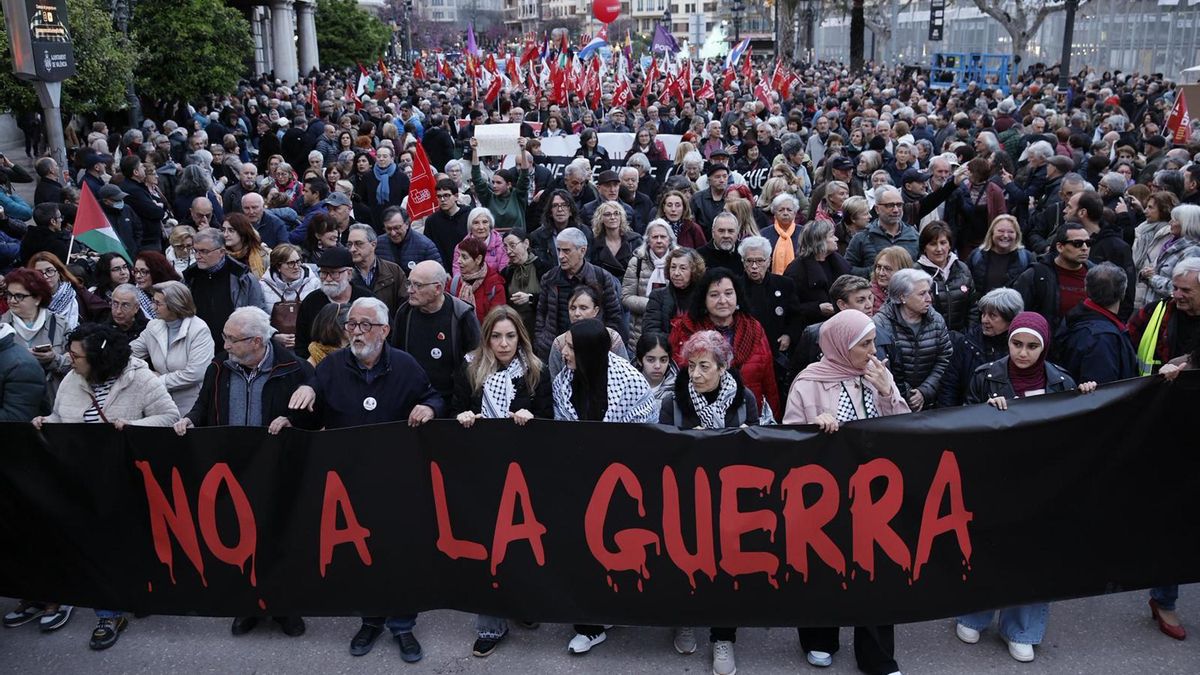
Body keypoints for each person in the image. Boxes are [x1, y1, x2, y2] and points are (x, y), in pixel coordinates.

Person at [292, 297, 441, 663]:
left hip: (396, 478)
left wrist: (429, 407)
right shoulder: (331, 367)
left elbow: (434, 396)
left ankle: (402, 625)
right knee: (361, 554)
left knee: (399, 553)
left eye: (365, 325)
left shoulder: (405, 365)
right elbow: (310, 419)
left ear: (384, 330)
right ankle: (370, 620)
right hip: (349, 479)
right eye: (351, 325)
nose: (356, 332)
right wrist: (305, 396)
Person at [957, 311, 1096, 664]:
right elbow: (961, 425)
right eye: (1016, 344)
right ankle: (974, 615)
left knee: (1034, 554)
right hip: (994, 481)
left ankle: (1021, 629)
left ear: (1044, 347)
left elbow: (1077, 434)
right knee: (987, 547)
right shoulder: (985, 376)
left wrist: (1085, 397)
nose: (1022, 352)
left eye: (1032, 346)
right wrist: (985, 412)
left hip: (1042, 484)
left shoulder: (1062, 381)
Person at [32, 323, 179, 651]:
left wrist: (132, 426)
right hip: (79, 477)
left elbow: (169, 417)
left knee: (116, 545)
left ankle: (110, 614)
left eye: (76, 356)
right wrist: (47, 423)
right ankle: (90, 601)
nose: (69, 360)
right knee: (88, 543)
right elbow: (62, 417)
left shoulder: (141, 380)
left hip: (123, 479)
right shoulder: (71, 380)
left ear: (99, 359)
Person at [173, 306, 313, 637]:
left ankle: (284, 606)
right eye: (225, 337)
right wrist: (190, 419)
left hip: (277, 470)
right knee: (240, 538)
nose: (225, 345)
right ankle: (248, 604)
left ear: (256, 341)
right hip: (232, 468)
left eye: (231, 339)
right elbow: (204, 403)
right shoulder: (220, 366)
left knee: (280, 538)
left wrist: (292, 420)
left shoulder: (294, 369)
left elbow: (313, 415)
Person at [782, 309, 908, 675]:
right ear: (841, 345)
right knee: (824, 563)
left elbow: (905, 432)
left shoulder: (878, 375)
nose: (873, 351)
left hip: (873, 491)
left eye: (873, 342)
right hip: (824, 494)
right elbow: (788, 438)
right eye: (864, 344)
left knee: (875, 569)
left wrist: (888, 392)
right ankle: (820, 638)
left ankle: (877, 655)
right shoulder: (809, 381)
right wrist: (813, 427)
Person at [655, 328, 762, 675]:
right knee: (684, 561)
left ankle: (723, 637)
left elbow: (758, 447)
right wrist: (688, 444)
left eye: (704, 366)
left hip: (730, 500)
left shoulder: (744, 399)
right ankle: (685, 619)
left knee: (727, 569)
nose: (696, 374)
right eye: (691, 366)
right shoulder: (673, 402)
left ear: (722, 367)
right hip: (686, 497)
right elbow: (661, 452)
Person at [556, 318, 656, 655]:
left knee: (615, 549)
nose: (563, 352)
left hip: (622, 482)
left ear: (588, 350)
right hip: (580, 481)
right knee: (582, 552)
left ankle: (613, 609)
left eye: (571, 347)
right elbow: (561, 429)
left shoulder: (628, 380)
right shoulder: (564, 381)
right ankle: (589, 626)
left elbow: (644, 429)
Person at [669, 268, 780, 419]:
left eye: (728, 293)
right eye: (714, 295)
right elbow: (676, 377)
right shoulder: (686, 329)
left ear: (737, 295)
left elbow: (769, 381)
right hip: (697, 419)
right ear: (704, 299)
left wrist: (773, 421)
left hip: (748, 417)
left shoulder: (754, 329)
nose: (723, 301)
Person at [390, 260, 482, 401]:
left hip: (451, 400)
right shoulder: (404, 313)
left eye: (418, 285)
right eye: (409, 283)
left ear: (437, 288)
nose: (410, 290)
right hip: (413, 398)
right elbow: (396, 357)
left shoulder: (462, 315)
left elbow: (475, 362)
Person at [533, 228, 626, 358]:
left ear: (582, 250)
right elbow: (541, 313)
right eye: (559, 250)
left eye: (566, 251)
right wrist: (541, 341)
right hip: (556, 348)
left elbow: (614, 315)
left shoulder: (601, 277)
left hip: (592, 346)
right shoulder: (549, 278)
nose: (561, 256)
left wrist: (602, 342)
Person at [129, 281, 215, 416]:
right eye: (153, 301)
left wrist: (157, 381)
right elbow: (129, 354)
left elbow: (195, 373)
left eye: (158, 303)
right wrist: (144, 372)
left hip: (192, 407)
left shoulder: (199, 330)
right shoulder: (153, 326)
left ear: (175, 305)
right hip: (160, 404)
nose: (152, 307)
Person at [872, 268, 952, 411]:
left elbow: (945, 358)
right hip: (893, 402)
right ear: (902, 297)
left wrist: (925, 391)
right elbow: (882, 365)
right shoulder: (880, 324)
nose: (929, 298)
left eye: (929, 292)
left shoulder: (936, 320)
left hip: (931, 401)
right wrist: (908, 393)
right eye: (922, 294)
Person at [937, 288, 1024, 408]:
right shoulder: (967, 343)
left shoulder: (1021, 347)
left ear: (1010, 318)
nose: (984, 320)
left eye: (992, 316)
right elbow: (949, 387)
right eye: (983, 314)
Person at [183, 227, 267, 346]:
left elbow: (258, 315)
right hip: (198, 344)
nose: (197, 256)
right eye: (195, 251)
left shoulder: (243, 278)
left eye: (204, 251)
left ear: (222, 252)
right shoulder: (189, 277)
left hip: (235, 346)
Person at [1060, 262, 1139, 384]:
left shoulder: (1075, 316)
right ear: (1123, 293)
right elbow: (1103, 389)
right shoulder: (1102, 338)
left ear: (1086, 289)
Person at [1013, 225, 1094, 337]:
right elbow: (1018, 315)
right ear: (1060, 247)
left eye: (1088, 243)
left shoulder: (1096, 274)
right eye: (1077, 243)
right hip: (1047, 342)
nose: (1085, 248)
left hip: (1086, 342)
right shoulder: (1036, 275)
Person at [293, 246, 372, 359]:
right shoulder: (311, 301)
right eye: (324, 273)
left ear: (349, 273)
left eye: (334, 273)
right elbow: (301, 343)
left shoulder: (367, 300)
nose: (328, 279)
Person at [1129, 257, 1200, 376]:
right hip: (1156, 386)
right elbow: (1125, 347)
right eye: (1175, 288)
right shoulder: (1153, 312)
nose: (1177, 295)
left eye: (1185, 290)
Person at [548, 285, 629, 378]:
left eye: (583, 308)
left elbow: (625, 374)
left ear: (595, 311)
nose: (577, 313)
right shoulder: (560, 343)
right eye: (572, 308)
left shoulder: (612, 338)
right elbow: (555, 380)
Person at [622, 220, 678, 348]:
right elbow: (626, 297)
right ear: (648, 240)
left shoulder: (678, 262)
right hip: (639, 330)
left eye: (663, 237)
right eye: (655, 237)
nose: (659, 241)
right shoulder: (637, 262)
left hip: (672, 327)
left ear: (670, 239)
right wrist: (652, 304)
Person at [784, 219, 851, 327]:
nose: (836, 238)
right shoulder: (796, 271)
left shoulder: (839, 263)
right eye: (831, 236)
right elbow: (789, 306)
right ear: (819, 240)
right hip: (811, 328)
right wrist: (816, 308)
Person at [845, 186, 919, 278]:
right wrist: (877, 271)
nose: (896, 210)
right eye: (890, 205)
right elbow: (847, 270)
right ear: (877, 209)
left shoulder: (914, 235)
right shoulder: (862, 238)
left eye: (899, 205)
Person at [26, 252, 109, 331]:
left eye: (49, 271)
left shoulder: (78, 291)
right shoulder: (28, 298)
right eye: (39, 273)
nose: (45, 276)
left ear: (59, 272)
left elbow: (105, 312)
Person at [916, 221, 976, 331]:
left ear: (949, 245)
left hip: (961, 337)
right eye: (933, 244)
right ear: (924, 247)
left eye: (943, 243)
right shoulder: (915, 273)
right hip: (930, 337)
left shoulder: (962, 269)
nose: (939, 249)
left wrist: (969, 334)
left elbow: (972, 308)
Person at [260, 243, 320, 349]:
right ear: (278, 266)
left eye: (298, 261)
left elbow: (320, 317)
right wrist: (274, 336)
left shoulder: (314, 283)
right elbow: (259, 320)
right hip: (276, 347)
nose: (296, 267)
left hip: (308, 345)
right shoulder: (263, 286)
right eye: (290, 263)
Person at [1142, 203, 1200, 306]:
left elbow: (1181, 288)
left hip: (1171, 308)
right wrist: (1146, 272)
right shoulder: (1169, 245)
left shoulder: (1192, 252)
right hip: (1154, 306)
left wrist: (1152, 278)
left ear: (1186, 224)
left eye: (1174, 220)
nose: (1169, 223)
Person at [1131, 192, 1180, 310]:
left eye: (1150, 207)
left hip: (1153, 295)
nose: (1145, 211)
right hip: (1137, 288)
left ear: (1163, 210)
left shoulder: (1169, 234)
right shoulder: (1142, 228)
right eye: (1146, 207)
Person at [470, 136, 530, 230]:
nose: (494, 186)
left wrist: (523, 151)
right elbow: (476, 178)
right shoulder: (489, 197)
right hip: (494, 239)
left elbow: (525, 175)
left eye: (499, 183)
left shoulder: (518, 196)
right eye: (493, 182)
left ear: (508, 184)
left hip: (516, 238)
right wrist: (475, 150)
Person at [347, 224, 408, 317]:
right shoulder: (343, 273)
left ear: (373, 245)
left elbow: (404, 305)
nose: (352, 249)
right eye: (349, 244)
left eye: (358, 243)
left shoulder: (394, 271)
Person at [500, 228, 549, 341]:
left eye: (512, 245)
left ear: (526, 243)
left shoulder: (543, 268)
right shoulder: (506, 272)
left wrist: (530, 298)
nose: (508, 251)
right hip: (514, 328)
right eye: (505, 247)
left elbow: (550, 299)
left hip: (539, 328)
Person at [965, 214, 1034, 294]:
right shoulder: (977, 256)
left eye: (1011, 232)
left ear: (1017, 235)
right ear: (992, 233)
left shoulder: (1026, 258)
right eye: (1000, 231)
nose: (1005, 235)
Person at [449, 236, 507, 324]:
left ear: (478, 259)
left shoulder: (494, 286)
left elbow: (497, 321)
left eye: (464, 257)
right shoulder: (454, 283)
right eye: (459, 256)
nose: (459, 261)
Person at [355, 145, 410, 229]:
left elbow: (406, 199)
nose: (381, 159)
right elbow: (361, 199)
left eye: (385, 156)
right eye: (379, 156)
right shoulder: (368, 177)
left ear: (392, 158)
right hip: (374, 220)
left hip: (396, 220)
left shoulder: (401, 177)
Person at [375, 205, 442, 272]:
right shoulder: (378, 244)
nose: (393, 233)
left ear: (407, 224)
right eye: (388, 229)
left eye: (397, 228)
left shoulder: (425, 246)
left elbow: (437, 274)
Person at [588, 201, 642, 279]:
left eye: (616, 213)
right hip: (604, 284)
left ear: (621, 217)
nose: (613, 217)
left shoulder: (635, 240)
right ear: (601, 219)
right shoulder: (594, 243)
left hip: (630, 283)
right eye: (608, 214)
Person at [452, 207, 508, 277]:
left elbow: (503, 273)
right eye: (476, 223)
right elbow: (457, 274)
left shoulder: (501, 245)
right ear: (470, 226)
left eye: (485, 222)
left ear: (490, 224)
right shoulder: (460, 247)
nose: (481, 227)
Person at [761, 193, 805, 275]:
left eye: (789, 210)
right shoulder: (764, 234)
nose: (785, 213)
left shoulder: (804, 233)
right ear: (774, 214)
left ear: (795, 213)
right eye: (781, 210)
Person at [635, 332, 677, 413]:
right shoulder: (626, 386)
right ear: (639, 361)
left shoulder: (678, 391)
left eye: (663, 360)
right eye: (651, 360)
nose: (657, 366)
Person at [221, 213, 269, 278]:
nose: (225, 234)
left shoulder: (262, 255)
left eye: (231, 230)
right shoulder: (221, 256)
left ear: (242, 232)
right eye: (223, 230)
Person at [869, 246, 914, 314]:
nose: (881, 273)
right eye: (879, 267)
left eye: (888, 269)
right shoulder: (868, 294)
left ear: (902, 271)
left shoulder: (916, 294)